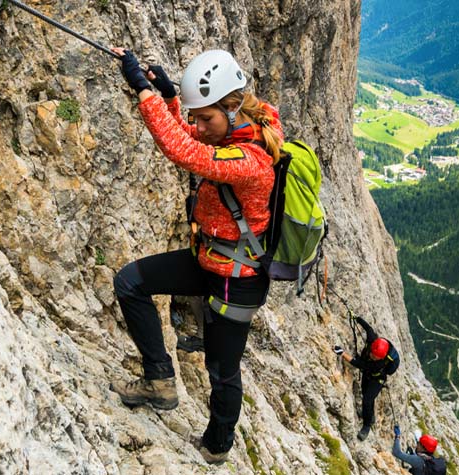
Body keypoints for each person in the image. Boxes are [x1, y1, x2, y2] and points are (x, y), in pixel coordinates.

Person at [109, 47, 284, 464]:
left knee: (222, 371)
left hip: (236, 279)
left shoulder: (251, 159)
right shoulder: (239, 128)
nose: (198, 125)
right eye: (197, 116)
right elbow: (194, 138)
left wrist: (143, 92)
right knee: (130, 282)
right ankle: (160, 382)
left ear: (233, 106)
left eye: (206, 117)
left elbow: (185, 152)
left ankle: (217, 447)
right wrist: (169, 94)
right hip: (209, 259)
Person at [333, 316, 400, 440]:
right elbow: (368, 328)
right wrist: (356, 318)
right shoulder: (373, 340)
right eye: (372, 354)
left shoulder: (379, 364)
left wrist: (342, 353)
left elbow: (359, 364)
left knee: (367, 400)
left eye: (375, 356)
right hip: (368, 374)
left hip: (377, 379)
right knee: (365, 394)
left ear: (381, 358)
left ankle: (367, 425)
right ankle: (370, 415)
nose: (372, 356)